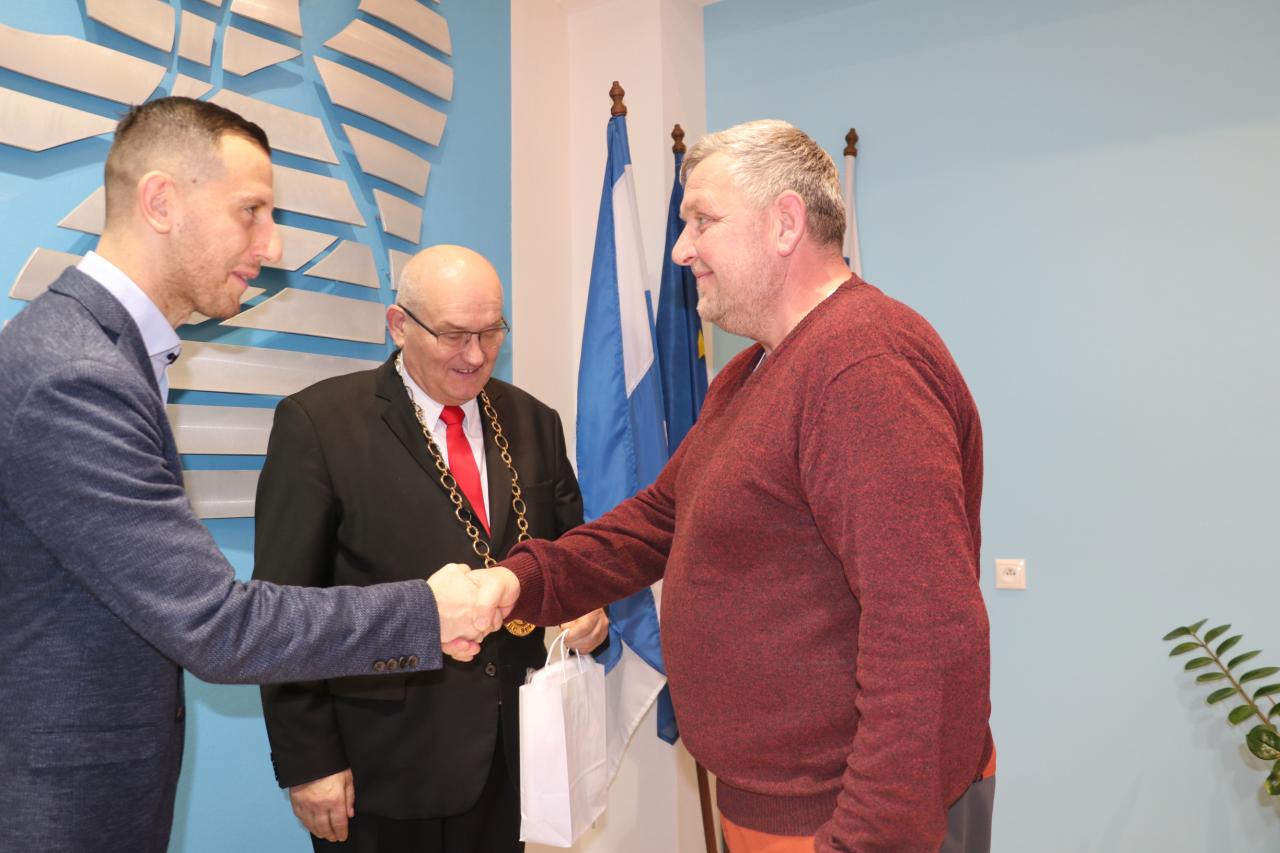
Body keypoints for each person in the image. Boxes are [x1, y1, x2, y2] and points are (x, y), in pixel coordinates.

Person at [0, 97, 510, 853]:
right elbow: (216, 623)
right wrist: (428, 611)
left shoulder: (98, 352)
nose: (272, 245)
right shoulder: (77, 376)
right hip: (55, 811)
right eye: (251, 212)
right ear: (161, 202)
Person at [481, 120, 995, 853]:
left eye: (702, 221)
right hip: (775, 803)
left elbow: (925, 630)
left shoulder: (863, 367)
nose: (681, 248)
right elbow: (658, 522)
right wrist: (516, 583)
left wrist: (869, 837)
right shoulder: (754, 370)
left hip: (850, 817)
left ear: (784, 223)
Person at [253, 244, 608, 853]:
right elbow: (284, 608)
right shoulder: (319, 423)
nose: (476, 355)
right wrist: (310, 761)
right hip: (383, 766)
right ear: (399, 325)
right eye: (454, 335)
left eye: (491, 333)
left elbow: (571, 556)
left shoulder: (534, 421)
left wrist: (589, 608)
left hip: (514, 758)